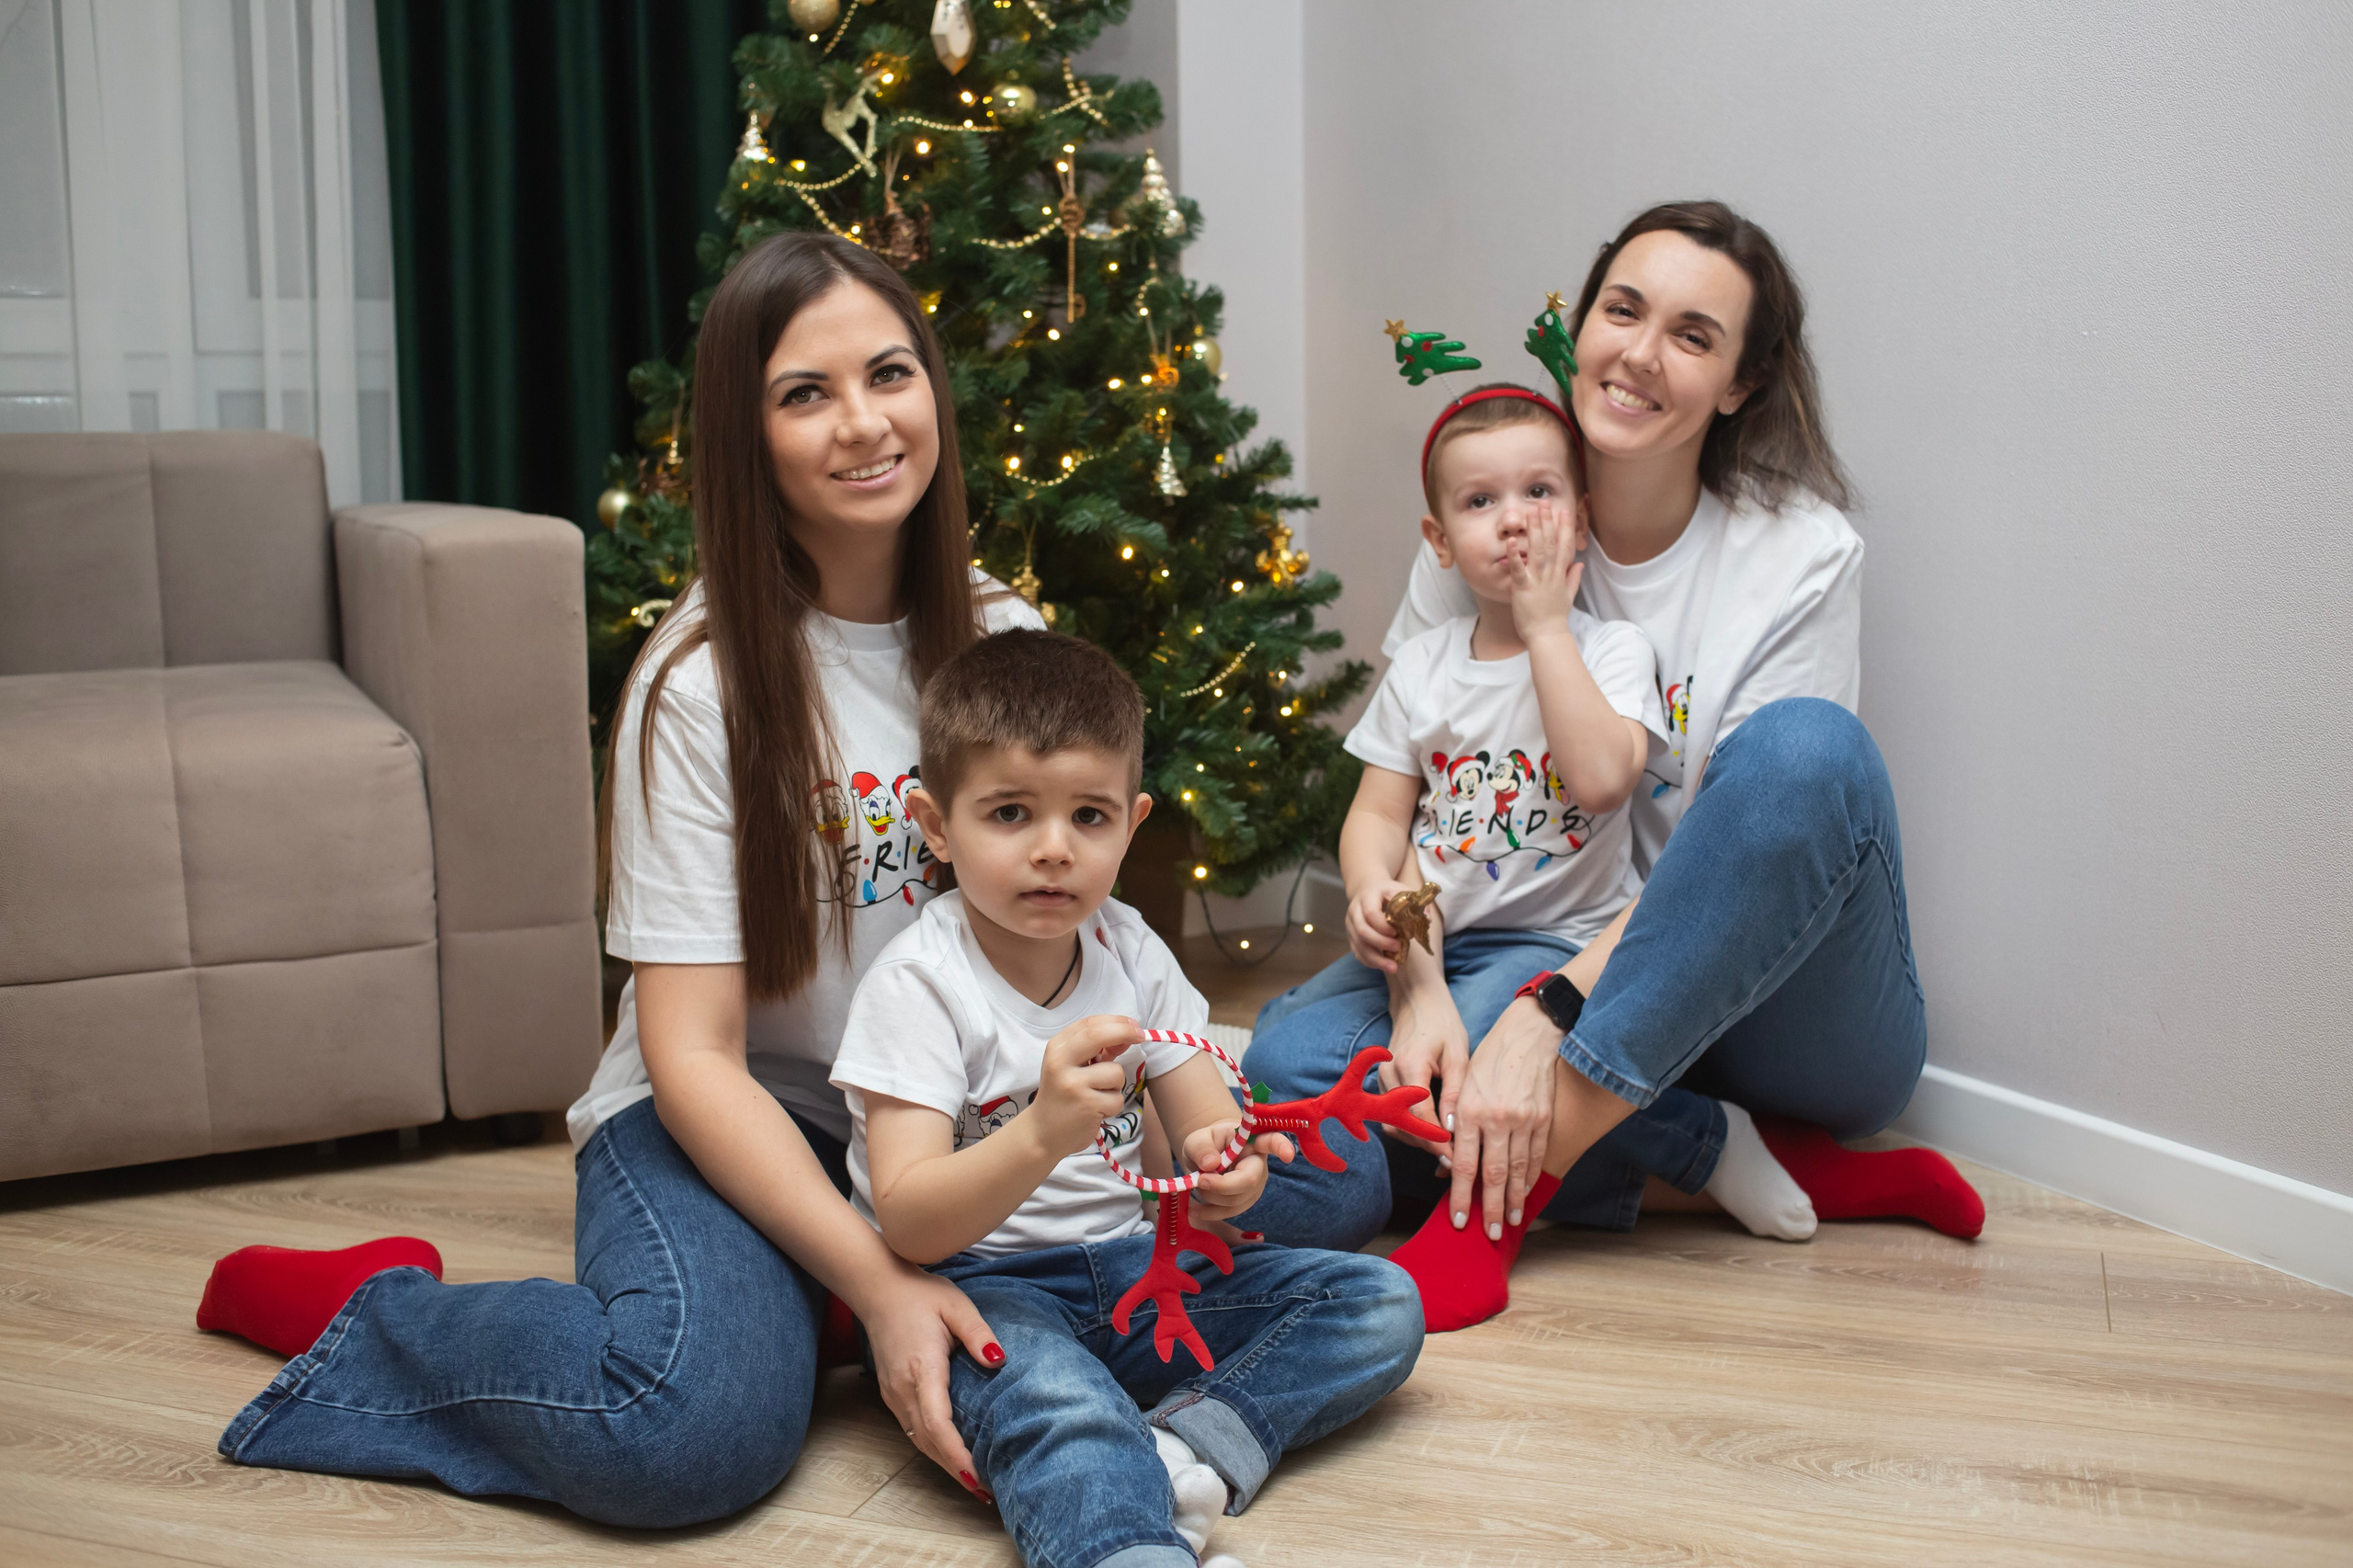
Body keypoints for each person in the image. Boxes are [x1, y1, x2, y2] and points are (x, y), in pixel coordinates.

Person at [192, 232, 1046, 1526]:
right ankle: (385, 1315)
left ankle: (799, 1295)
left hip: (921, 1118)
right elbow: (695, 1055)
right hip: (718, 1116)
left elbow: (1056, 937)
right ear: (743, 436)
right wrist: (878, 1281)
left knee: (1295, 1195)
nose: (864, 423)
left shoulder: (1008, 640)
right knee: (684, 1432)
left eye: (890, 373)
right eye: (803, 394)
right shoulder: (698, 682)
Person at [1242, 201, 1982, 1328]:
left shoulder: (1799, 556)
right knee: (1306, 1069)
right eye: (1622, 309)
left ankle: (1494, 1202)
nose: (1638, 352)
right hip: (1521, 972)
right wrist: (1420, 984)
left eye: (1692, 334)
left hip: (1771, 1016)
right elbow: (1403, 797)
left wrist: (1544, 1012)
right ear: (1581, 322)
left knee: (1804, 753)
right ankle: (1725, 1160)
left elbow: (1754, 831)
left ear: (1741, 382)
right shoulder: (1496, 505)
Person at [833, 628, 1424, 1568]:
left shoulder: (1131, 949)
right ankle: (1125, 1544)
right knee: (1059, 1406)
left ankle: (1185, 1446)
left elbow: (1201, 1127)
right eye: (1011, 813)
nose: (1055, 850)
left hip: (1139, 1272)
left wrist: (1225, 1172)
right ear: (936, 825)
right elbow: (906, 1221)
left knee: (1379, 1300)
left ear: (1134, 820)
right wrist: (1040, 1132)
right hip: (986, 1293)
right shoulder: (918, 985)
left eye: (1091, 817)